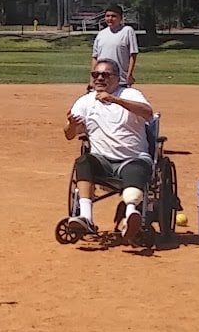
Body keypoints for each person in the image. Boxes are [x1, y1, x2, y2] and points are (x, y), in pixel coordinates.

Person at [64, 58, 157, 242]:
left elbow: (148, 113)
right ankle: (86, 217)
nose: (99, 78)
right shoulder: (85, 102)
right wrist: (72, 126)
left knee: (135, 169)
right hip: (102, 161)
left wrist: (115, 100)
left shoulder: (131, 94)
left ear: (117, 78)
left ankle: (131, 216)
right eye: (95, 74)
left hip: (133, 157)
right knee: (84, 161)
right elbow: (69, 134)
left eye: (105, 75)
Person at [91, 4, 139, 86]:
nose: (110, 18)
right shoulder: (101, 34)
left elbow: (133, 55)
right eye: (107, 16)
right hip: (102, 79)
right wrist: (92, 78)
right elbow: (95, 57)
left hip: (120, 79)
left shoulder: (127, 31)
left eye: (114, 16)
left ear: (121, 18)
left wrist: (129, 74)